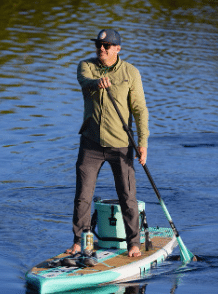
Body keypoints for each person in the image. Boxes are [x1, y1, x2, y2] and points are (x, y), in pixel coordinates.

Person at [67, 29, 149, 257]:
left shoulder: (130, 73)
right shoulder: (86, 65)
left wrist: (143, 142)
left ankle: (133, 243)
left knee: (127, 196)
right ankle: (80, 242)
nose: (101, 49)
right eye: (98, 45)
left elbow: (140, 110)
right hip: (91, 143)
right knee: (83, 195)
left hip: (121, 145)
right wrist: (97, 82)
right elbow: (85, 81)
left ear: (117, 49)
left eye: (107, 45)